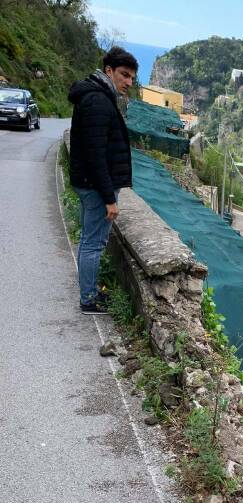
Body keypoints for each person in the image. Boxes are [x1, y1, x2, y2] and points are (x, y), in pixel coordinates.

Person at [68, 47, 138, 314]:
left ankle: (89, 292)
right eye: (124, 75)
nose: (128, 82)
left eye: (131, 77)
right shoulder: (98, 101)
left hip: (89, 183)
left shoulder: (95, 96)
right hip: (95, 187)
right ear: (108, 71)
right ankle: (88, 299)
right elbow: (96, 155)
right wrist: (109, 198)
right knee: (93, 243)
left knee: (89, 240)